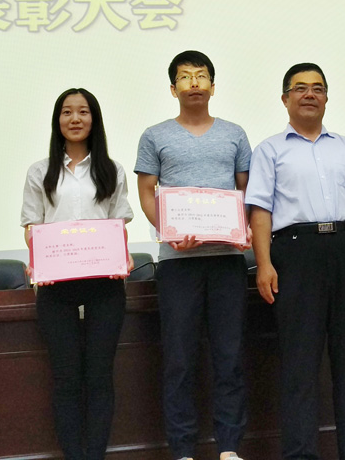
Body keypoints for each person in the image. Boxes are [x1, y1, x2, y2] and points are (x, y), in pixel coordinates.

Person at [247, 62, 345, 460]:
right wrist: (264, 263)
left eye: (318, 88)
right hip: (295, 253)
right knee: (300, 362)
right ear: (285, 98)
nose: (310, 94)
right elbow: (260, 211)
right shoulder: (269, 150)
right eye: (300, 88)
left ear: (326, 97)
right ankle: (300, 454)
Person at [135, 51, 252, 460]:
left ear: (213, 86)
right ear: (173, 89)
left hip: (227, 260)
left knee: (230, 356)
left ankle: (229, 448)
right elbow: (146, 192)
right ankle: (183, 450)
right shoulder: (155, 135)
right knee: (179, 360)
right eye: (185, 77)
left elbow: (246, 190)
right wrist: (168, 231)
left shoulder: (235, 134)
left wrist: (244, 229)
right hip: (177, 263)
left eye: (201, 76)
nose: (194, 83)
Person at [20, 88, 136, 460]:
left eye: (83, 112)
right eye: (67, 112)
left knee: (100, 377)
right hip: (56, 287)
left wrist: (123, 256)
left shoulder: (112, 170)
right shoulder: (40, 171)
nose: (75, 119)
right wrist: (37, 260)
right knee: (66, 378)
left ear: (93, 119)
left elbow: (118, 224)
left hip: (105, 285)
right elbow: (33, 227)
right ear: (58, 120)